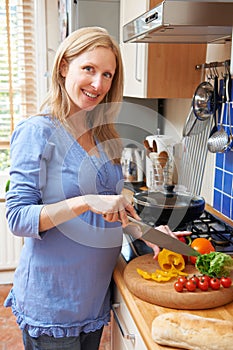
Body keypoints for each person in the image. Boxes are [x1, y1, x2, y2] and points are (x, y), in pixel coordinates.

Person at [4, 26, 189, 350]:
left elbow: (114, 214)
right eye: (88, 69)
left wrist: (150, 233)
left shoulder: (104, 138)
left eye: (107, 74)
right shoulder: (37, 131)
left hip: (93, 299)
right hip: (53, 304)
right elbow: (18, 218)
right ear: (64, 67)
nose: (98, 83)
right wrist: (85, 201)